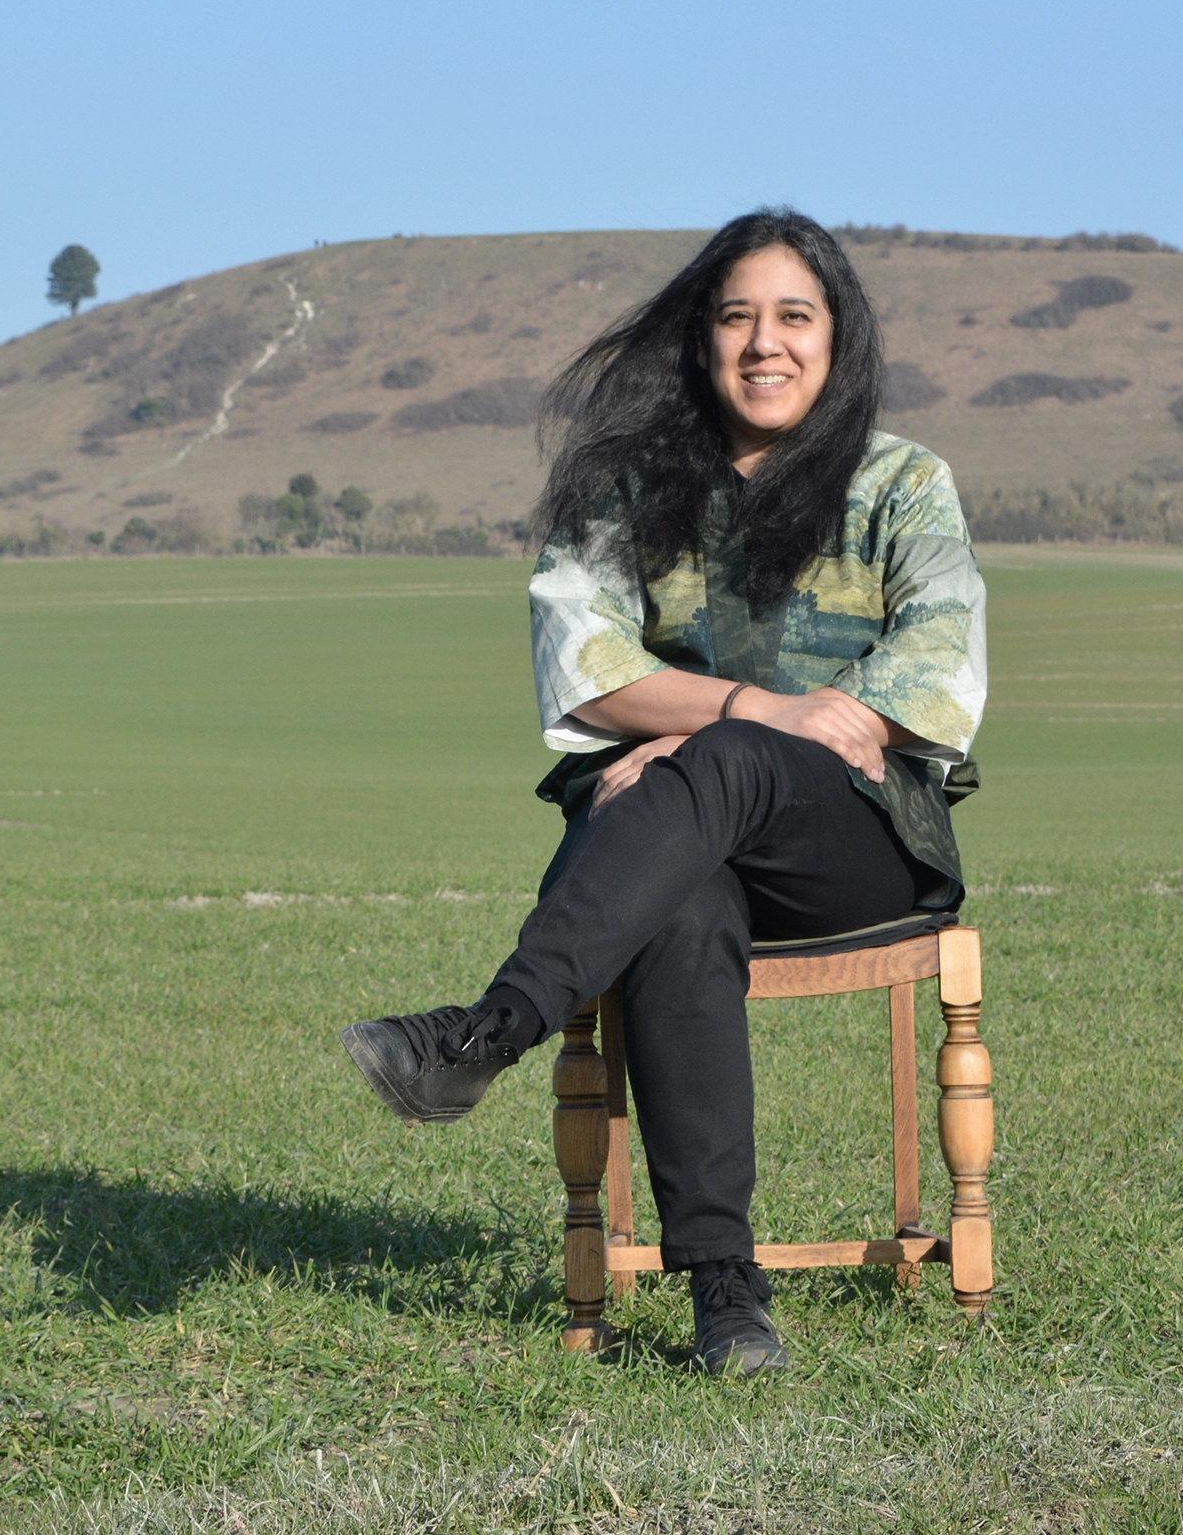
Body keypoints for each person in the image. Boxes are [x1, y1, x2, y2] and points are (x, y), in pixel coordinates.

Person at [341, 209, 987, 1374]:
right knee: (680, 906)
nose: (764, 344)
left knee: (725, 761)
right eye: (735, 318)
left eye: (795, 317)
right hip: (666, 851)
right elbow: (587, 672)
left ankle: (489, 1031)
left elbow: (937, 670)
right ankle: (727, 1303)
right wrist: (750, 714)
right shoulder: (622, 486)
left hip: (856, 841)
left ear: (838, 340)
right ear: (699, 342)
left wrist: (711, 731)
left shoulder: (905, 483)